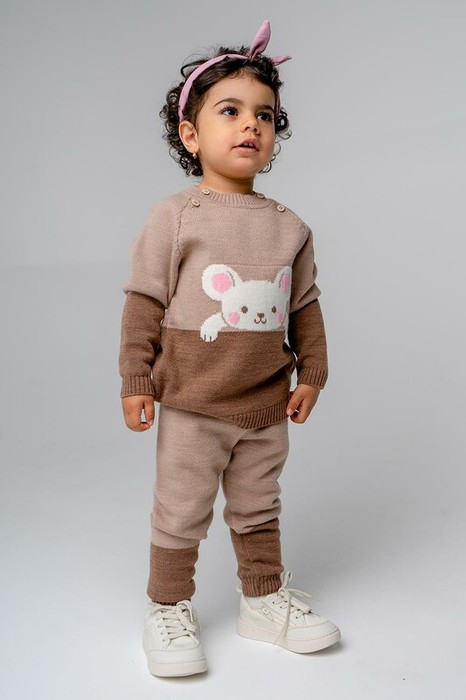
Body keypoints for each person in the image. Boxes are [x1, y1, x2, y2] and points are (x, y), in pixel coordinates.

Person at [119, 20, 341, 678]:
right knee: (181, 509)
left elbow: (304, 307)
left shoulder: (290, 227)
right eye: (230, 111)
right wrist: (136, 379)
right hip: (192, 402)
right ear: (190, 135)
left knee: (258, 504)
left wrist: (313, 373)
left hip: (265, 404)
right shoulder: (174, 217)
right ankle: (167, 606)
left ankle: (263, 601)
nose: (251, 125)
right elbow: (144, 301)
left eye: (264, 115)